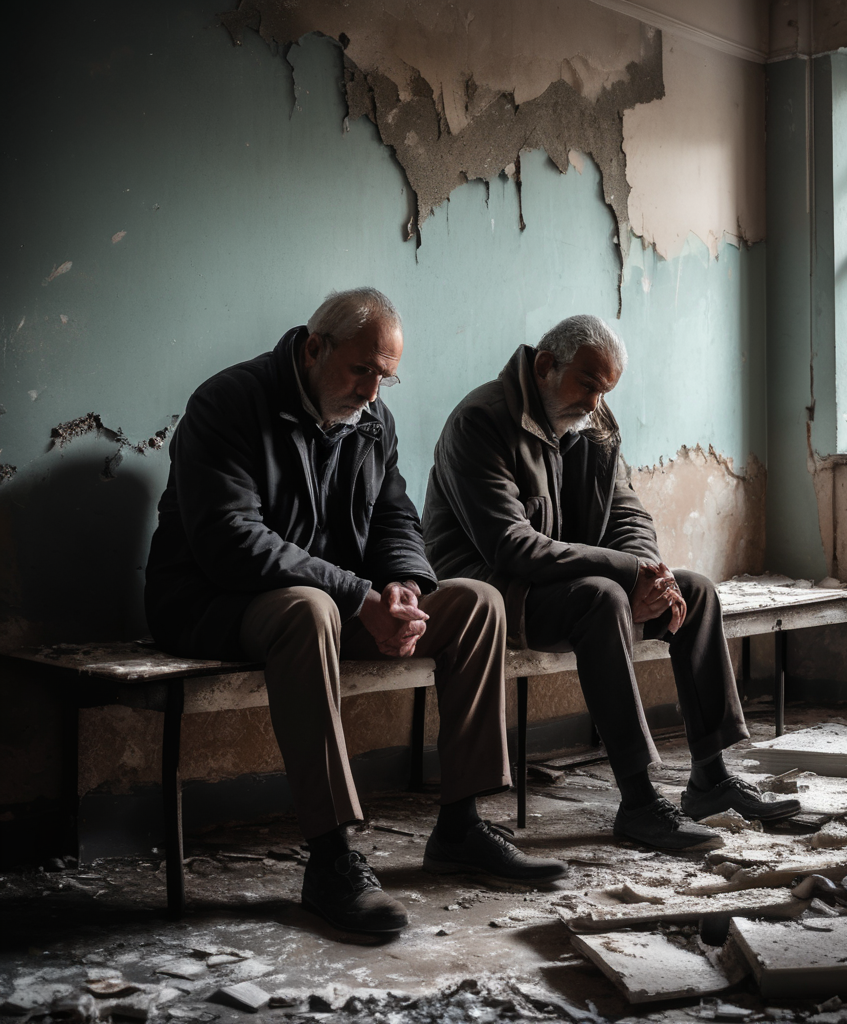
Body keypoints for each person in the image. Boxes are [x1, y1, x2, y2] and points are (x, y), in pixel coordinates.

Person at [145, 288, 566, 936]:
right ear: (315, 349)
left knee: (478, 603)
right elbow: (233, 542)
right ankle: (331, 858)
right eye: (361, 370)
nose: (373, 391)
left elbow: (394, 515)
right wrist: (357, 596)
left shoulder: (373, 422)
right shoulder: (227, 404)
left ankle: (461, 825)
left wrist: (402, 584)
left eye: (386, 377)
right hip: (214, 603)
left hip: (334, 598)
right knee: (309, 610)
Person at [422, 315, 800, 852]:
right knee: (601, 599)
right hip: (492, 592)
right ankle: (640, 801)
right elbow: (511, 545)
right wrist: (625, 574)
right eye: (589, 384)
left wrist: (651, 572)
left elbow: (629, 514)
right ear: (546, 366)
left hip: (565, 579)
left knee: (694, 592)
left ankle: (710, 779)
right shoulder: (480, 422)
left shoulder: (589, 422)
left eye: (606, 390)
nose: (596, 403)